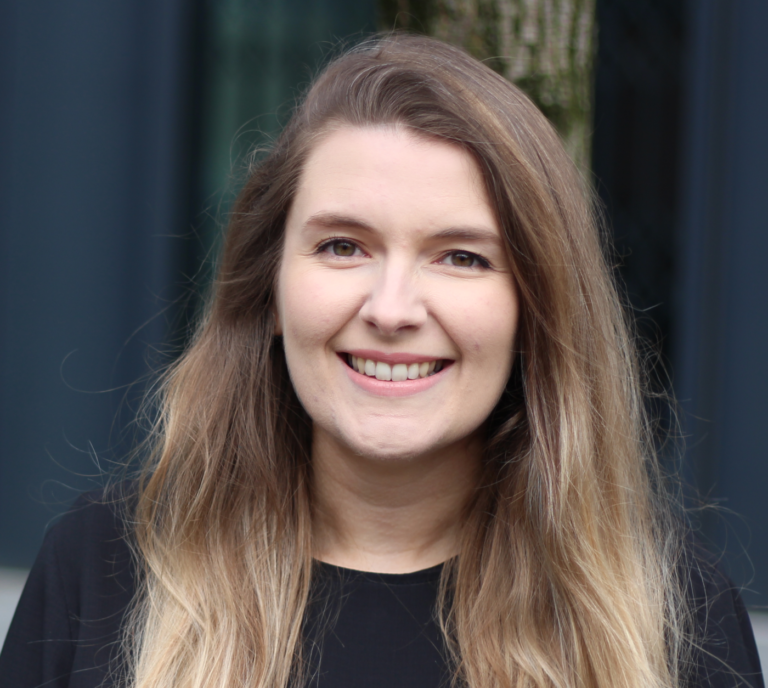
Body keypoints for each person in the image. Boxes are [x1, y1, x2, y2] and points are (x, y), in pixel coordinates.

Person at [0, 34, 763, 688]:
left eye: (461, 257)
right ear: (269, 289)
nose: (392, 309)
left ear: (536, 311)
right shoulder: (103, 574)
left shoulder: (668, 618)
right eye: (343, 246)